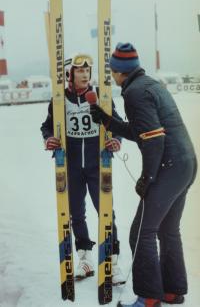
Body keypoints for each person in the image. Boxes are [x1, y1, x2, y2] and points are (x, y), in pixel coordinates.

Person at [89, 43, 197, 307]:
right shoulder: (151, 84)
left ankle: (149, 298)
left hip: (168, 164)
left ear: (119, 71)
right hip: (186, 163)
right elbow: (142, 130)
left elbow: (154, 140)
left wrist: (147, 177)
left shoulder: (135, 93)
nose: (112, 76)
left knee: (141, 232)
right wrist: (106, 120)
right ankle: (172, 291)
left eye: (113, 71)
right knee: (168, 229)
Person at [40, 53, 125, 285]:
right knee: (76, 213)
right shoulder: (59, 99)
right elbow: (47, 126)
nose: (85, 74)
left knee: (106, 211)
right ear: (71, 74)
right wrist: (49, 139)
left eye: (88, 70)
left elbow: (117, 124)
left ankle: (112, 261)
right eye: (80, 70)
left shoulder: (101, 96)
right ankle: (85, 258)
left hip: (98, 164)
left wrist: (116, 139)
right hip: (73, 165)